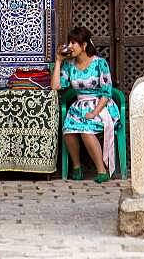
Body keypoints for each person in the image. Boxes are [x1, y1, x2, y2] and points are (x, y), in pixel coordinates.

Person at [51, 25, 119, 183]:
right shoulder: (69, 65)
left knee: (86, 130)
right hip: (79, 107)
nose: (71, 46)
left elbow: (107, 92)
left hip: (101, 106)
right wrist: (59, 61)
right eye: (70, 42)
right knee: (68, 129)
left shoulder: (99, 63)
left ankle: (101, 170)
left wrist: (94, 112)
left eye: (75, 43)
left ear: (84, 45)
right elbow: (55, 86)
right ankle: (76, 167)